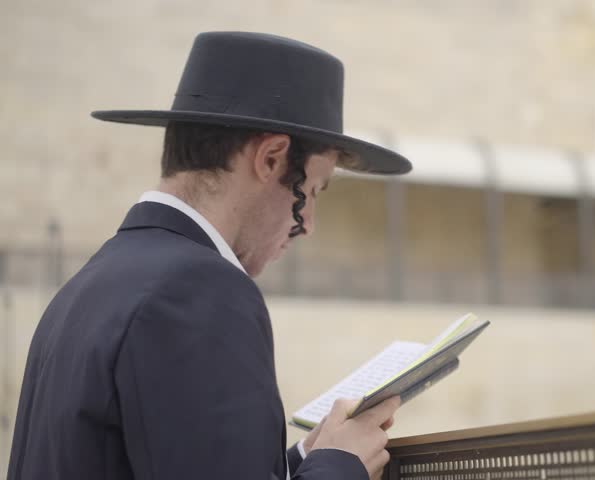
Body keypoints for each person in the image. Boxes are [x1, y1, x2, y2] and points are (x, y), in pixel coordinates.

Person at [7, 31, 413, 480]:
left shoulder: (89, 286)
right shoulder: (200, 291)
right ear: (272, 158)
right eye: (313, 190)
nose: (308, 224)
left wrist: (307, 459)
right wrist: (342, 466)